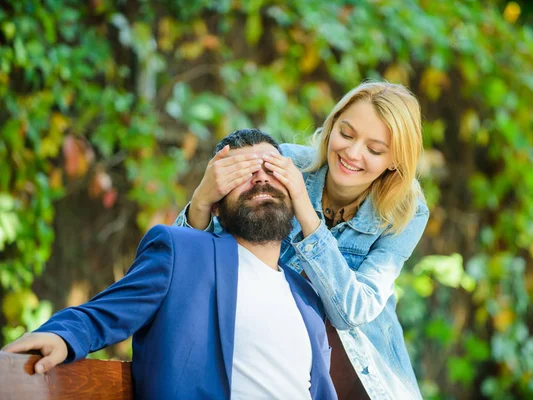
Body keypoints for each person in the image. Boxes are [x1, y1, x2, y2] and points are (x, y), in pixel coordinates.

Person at [2, 129, 337, 400]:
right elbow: (102, 313)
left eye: (273, 169)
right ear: (216, 204)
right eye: (241, 173)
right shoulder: (183, 252)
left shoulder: (306, 293)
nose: (260, 179)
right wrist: (61, 337)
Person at [175, 81, 429, 399]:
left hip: (364, 374)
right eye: (346, 134)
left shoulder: (406, 211)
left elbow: (352, 312)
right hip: (274, 360)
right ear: (332, 125)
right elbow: (185, 268)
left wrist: (306, 212)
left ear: (396, 160)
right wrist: (201, 201)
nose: (352, 153)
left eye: (374, 149)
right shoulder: (282, 163)